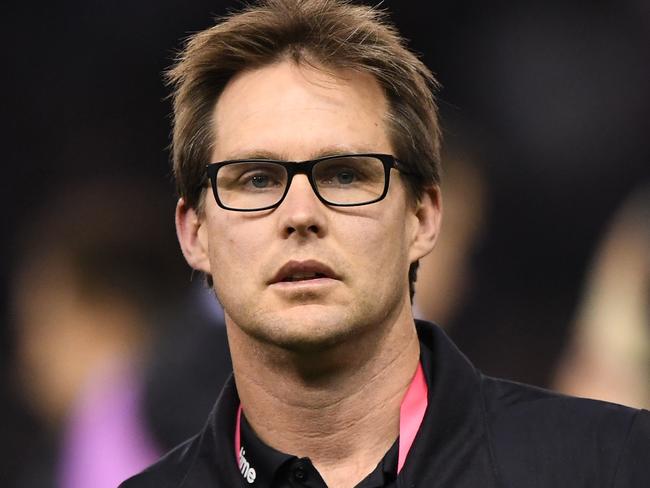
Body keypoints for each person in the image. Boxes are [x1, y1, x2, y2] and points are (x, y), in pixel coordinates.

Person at [121, 1, 650, 486]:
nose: (300, 214)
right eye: (257, 179)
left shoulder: (610, 462)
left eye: (345, 175)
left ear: (422, 217)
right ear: (194, 232)